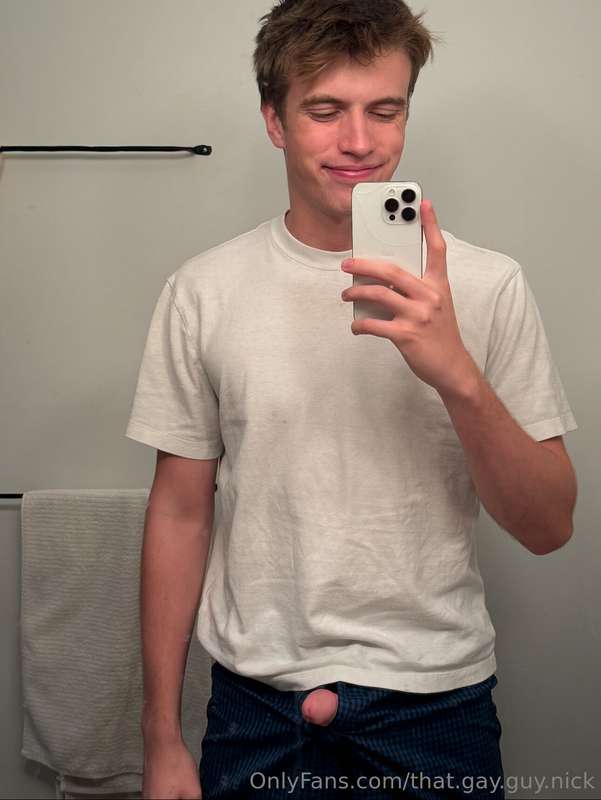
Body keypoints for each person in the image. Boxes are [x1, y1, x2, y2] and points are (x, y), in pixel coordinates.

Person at [125, 1, 579, 798]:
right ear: (274, 120)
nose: (359, 142)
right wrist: (160, 737)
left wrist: (456, 374)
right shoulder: (202, 289)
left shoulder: (487, 285)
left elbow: (547, 528)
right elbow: (180, 513)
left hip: (434, 710)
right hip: (253, 711)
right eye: (325, 110)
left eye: (384, 110)